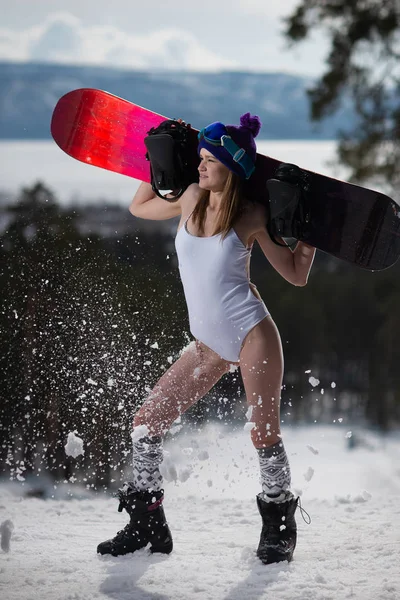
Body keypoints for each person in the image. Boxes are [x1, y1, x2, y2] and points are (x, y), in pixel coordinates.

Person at [97, 113, 316, 564]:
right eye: (197, 158)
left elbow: (295, 275)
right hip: (209, 343)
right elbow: (141, 207)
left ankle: (279, 527)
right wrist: (155, 167)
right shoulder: (191, 197)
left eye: (207, 159)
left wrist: (308, 236)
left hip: (252, 334)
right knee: (146, 423)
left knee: (263, 434)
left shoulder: (252, 216)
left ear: (230, 166)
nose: (199, 166)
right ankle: (147, 522)